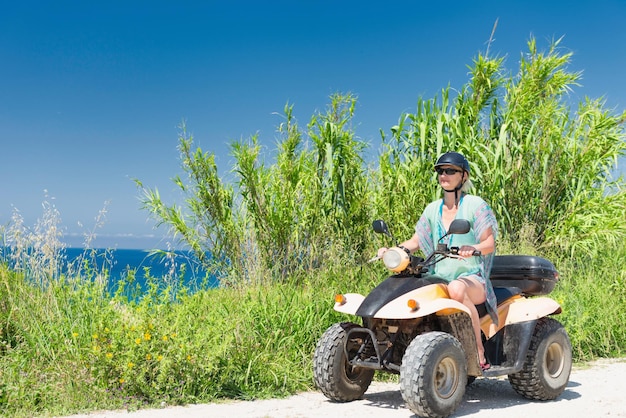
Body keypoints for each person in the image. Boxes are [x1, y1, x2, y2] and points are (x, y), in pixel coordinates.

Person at [377, 151, 499, 370]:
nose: (444, 174)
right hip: (437, 277)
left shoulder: (475, 205)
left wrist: (473, 248)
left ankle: (478, 350)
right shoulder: (433, 209)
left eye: (450, 171)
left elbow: (489, 242)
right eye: (441, 171)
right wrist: (395, 250)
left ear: (464, 176)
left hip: (471, 278)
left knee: (456, 289)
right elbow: (416, 240)